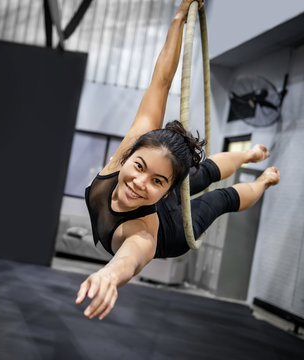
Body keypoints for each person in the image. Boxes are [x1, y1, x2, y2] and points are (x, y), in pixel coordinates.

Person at [75, 0, 280, 320]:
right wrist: (178, 18)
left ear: (171, 187)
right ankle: (249, 154)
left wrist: (109, 275)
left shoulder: (142, 230)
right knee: (206, 173)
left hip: (172, 227)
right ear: (128, 156)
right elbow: (161, 81)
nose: (139, 182)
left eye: (157, 180)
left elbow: (129, 257)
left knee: (220, 193)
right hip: (165, 222)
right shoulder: (124, 155)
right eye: (139, 167)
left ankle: (260, 175)